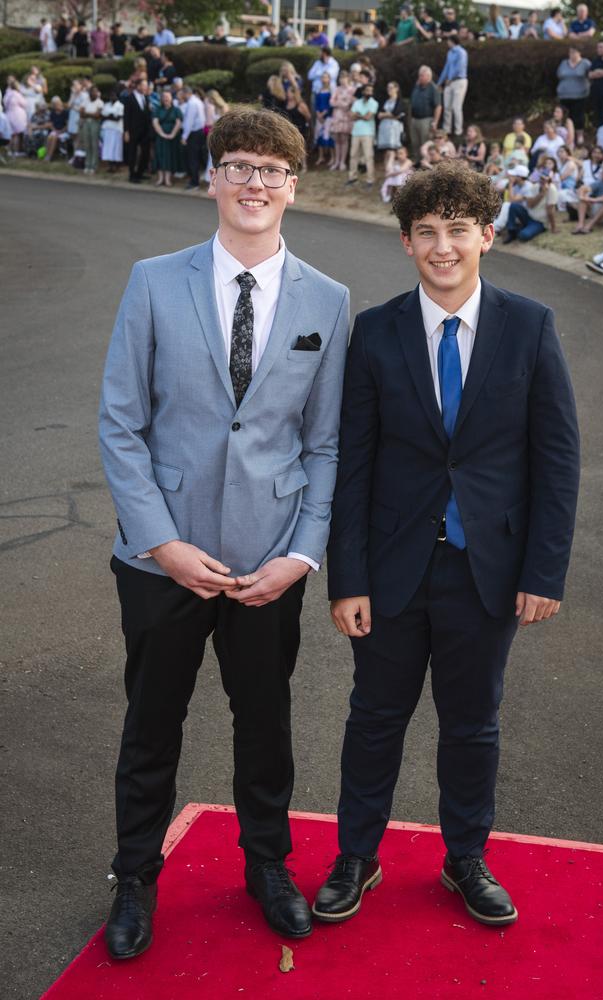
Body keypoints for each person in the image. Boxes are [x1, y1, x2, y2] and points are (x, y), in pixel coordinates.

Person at [99, 107, 349, 956]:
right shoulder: (152, 279)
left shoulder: (330, 300)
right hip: (161, 554)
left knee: (266, 722)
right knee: (151, 722)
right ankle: (134, 875)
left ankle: (268, 864)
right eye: (239, 166)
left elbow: (326, 442)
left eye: (272, 171)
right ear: (212, 177)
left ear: (293, 188)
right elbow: (121, 424)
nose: (254, 183)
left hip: (269, 558)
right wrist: (161, 543)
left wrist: (301, 553)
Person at [313, 161, 579, 929]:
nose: (442, 246)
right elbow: (354, 460)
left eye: (458, 230)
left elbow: (556, 460)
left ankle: (467, 857)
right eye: (426, 231)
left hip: (486, 572)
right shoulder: (376, 330)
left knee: (473, 723)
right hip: (393, 571)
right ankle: (356, 856)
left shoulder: (530, 327)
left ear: (487, 237)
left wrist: (543, 569)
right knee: (374, 719)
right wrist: (347, 577)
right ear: (405, 241)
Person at [503, 161, 558, 241]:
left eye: (545, 179)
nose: (543, 181)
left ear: (550, 180)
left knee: (523, 236)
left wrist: (553, 227)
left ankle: (520, 229)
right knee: (513, 206)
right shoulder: (535, 186)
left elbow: (550, 211)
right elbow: (530, 205)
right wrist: (541, 194)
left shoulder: (552, 189)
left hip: (539, 222)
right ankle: (512, 231)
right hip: (529, 216)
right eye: (542, 178)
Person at [556, 46, 591, 147]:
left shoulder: (585, 63)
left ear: (579, 53)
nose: (572, 55)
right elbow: (559, 74)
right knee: (566, 116)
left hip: (580, 95)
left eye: (574, 52)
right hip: (564, 95)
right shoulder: (564, 63)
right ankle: (566, 135)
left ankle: (579, 135)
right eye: (570, 52)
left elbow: (590, 75)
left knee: (578, 115)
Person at [346, 82, 378, 189]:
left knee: (368, 157)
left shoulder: (374, 103)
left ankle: (370, 180)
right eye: (368, 90)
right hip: (356, 132)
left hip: (368, 133)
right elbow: (351, 116)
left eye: (371, 91)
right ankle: (352, 178)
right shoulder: (357, 102)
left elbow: (368, 117)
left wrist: (357, 115)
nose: (369, 92)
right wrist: (361, 115)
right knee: (353, 156)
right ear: (363, 91)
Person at [437, 34, 468, 139]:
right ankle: (447, 130)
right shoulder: (449, 53)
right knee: (447, 107)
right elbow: (447, 67)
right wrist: (439, 82)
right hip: (449, 82)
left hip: (459, 80)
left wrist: (451, 77)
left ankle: (458, 130)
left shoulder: (461, 52)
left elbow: (460, 66)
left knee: (456, 107)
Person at [124, 76, 151, 184]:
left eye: (146, 86)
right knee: (133, 153)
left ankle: (140, 173)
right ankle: (132, 175)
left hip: (145, 131)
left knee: (145, 153)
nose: (145, 88)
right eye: (144, 86)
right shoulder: (130, 98)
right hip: (133, 130)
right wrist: (126, 131)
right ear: (138, 86)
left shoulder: (146, 97)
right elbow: (126, 116)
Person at [151, 88, 182, 185]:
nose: (166, 99)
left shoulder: (176, 110)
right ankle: (160, 178)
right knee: (159, 156)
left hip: (172, 137)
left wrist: (172, 134)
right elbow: (155, 122)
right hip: (161, 137)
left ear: (172, 98)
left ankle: (168, 179)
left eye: (168, 97)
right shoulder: (157, 110)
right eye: (164, 97)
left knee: (169, 157)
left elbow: (178, 123)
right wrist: (162, 134)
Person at [180, 85, 206, 190]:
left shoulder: (191, 103)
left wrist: (184, 136)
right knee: (196, 157)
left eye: (182, 94)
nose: (182, 96)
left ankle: (194, 182)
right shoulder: (198, 101)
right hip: (200, 132)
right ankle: (195, 180)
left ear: (186, 93)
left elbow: (189, 122)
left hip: (193, 133)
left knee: (192, 158)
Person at [410, 66, 441, 156]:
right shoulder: (416, 87)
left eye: (421, 76)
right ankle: (417, 165)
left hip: (426, 120)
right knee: (415, 143)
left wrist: (435, 122)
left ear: (428, 76)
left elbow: (438, 107)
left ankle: (425, 166)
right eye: (419, 75)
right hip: (414, 119)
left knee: (425, 144)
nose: (419, 78)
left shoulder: (433, 89)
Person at [376, 81, 406, 173]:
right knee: (386, 150)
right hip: (385, 127)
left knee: (392, 149)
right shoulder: (385, 101)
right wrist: (390, 115)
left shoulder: (400, 101)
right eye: (388, 88)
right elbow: (379, 115)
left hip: (395, 128)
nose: (389, 90)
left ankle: (391, 169)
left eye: (391, 87)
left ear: (396, 89)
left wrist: (386, 115)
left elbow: (397, 114)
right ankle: (387, 168)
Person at [329, 70, 356, 171]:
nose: (342, 80)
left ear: (348, 79)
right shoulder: (337, 89)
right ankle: (336, 161)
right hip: (337, 115)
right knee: (337, 138)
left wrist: (343, 104)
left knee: (344, 138)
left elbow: (352, 102)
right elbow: (331, 101)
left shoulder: (352, 89)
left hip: (346, 116)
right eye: (341, 78)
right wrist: (340, 104)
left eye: (344, 78)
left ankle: (342, 162)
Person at [79, 85, 103, 174]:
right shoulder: (85, 101)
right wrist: (91, 114)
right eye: (93, 92)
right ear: (90, 93)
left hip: (95, 124)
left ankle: (94, 165)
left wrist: (87, 113)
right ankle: (87, 164)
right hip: (86, 123)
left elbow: (97, 115)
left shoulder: (100, 102)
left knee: (94, 144)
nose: (95, 93)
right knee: (87, 144)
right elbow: (81, 113)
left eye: (96, 92)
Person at [314, 72, 335, 167]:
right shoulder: (319, 90)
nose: (324, 79)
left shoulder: (331, 90)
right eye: (322, 77)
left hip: (328, 116)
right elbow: (316, 103)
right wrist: (318, 113)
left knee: (329, 136)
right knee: (319, 135)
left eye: (326, 77)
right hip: (319, 117)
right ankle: (321, 156)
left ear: (329, 79)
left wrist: (324, 113)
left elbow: (331, 104)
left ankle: (332, 157)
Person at [44, 96, 69, 161]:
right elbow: (50, 124)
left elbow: (67, 125)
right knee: (50, 137)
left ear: (60, 103)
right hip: (55, 130)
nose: (55, 106)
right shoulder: (53, 113)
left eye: (57, 104)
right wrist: (54, 130)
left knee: (54, 137)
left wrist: (61, 131)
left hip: (63, 131)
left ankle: (49, 156)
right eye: (54, 104)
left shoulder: (65, 112)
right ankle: (46, 154)